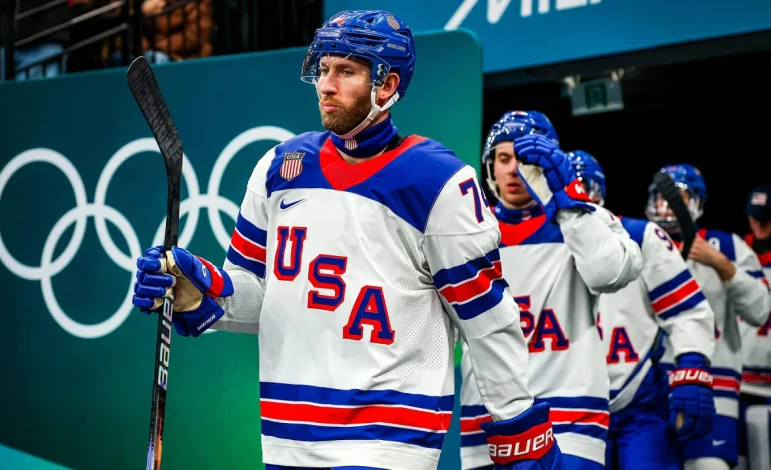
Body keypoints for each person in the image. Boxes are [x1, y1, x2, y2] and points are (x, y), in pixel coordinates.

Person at [132, 10, 564, 470]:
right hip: (288, 438)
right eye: (323, 70)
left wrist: (518, 424)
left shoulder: (439, 181)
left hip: (389, 440)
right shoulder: (278, 168)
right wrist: (199, 290)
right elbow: (260, 295)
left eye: (346, 71)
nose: (326, 85)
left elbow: (486, 318)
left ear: (387, 85)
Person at [458, 111, 643, 470]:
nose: (513, 169)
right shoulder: (469, 231)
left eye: (524, 159)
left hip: (570, 412)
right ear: (490, 166)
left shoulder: (582, 217)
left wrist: (568, 201)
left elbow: (611, 273)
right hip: (489, 416)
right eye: (503, 158)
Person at [567, 151, 716, 470]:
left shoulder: (640, 235)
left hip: (640, 399)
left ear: (597, 191)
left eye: (579, 186)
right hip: (564, 404)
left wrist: (691, 367)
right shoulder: (532, 243)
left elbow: (686, 310)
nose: (571, 195)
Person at [647, 164, 770, 470]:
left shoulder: (726, 245)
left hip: (713, 387)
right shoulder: (640, 242)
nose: (665, 205)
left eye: (676, 197)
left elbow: (760, 311)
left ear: (696, 201)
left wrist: (722, 265)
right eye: (660, 197)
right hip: (651, 391)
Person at [738, 184, 771, 470]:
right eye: (755, 216)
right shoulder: (732, 256)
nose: (759, 223)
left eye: (766, 217)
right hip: (737, 383)